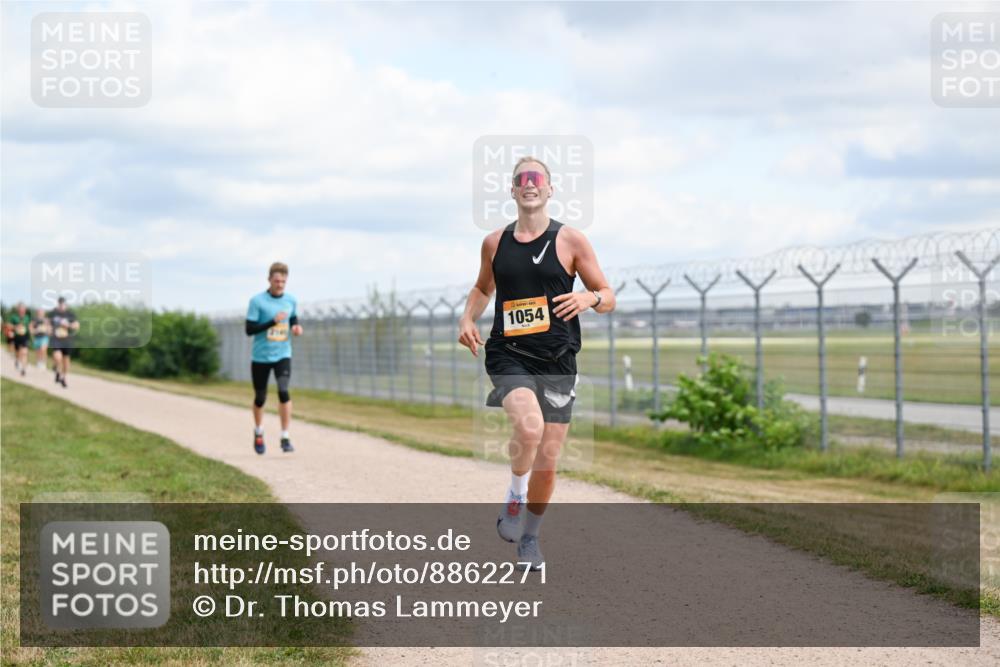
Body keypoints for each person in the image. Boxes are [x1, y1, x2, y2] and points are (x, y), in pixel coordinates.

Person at [458, 156, 615, 570]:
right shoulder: (495, 242)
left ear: (550, 189)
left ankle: (530, 539)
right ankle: (514, 496)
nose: (529, 184)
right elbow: (482, 286)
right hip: (508, 353)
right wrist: (466, 317)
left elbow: (607, 295)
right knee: (529, 427)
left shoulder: (571, 241)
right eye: (521, 180)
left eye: (537, 179)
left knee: (548, 459)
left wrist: (589, 297)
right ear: (512, 191)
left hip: (558, 358)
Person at [245, 262, 302, 455]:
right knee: (260, 397)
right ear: (269, 280)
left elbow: (293, 318)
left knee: (283, 390)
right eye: (277, 281)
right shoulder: (257, 301)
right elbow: (249, 329)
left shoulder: (291, 300)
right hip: (261, 357)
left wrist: (296, 327)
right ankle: (259, 431)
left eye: (283, 282)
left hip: (282, 354)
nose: (280, 285)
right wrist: (272, 321)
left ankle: (285, 436)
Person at [48, 297, 79, 387]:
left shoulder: (70, 314)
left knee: (66, 361)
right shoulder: (53, 313)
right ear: (58, 304)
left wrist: (68, 325)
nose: (61, 305)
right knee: (58, 358)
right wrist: (49, 330)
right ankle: (57, 370)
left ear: (66, 304)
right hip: (56, 339)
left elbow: (76, 325)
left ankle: (63, 377)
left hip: (66, 340)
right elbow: (47, 324)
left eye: (63, 304)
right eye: (60, 303)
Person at [9, 303, 32, 377]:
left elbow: (30, 326)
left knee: (24, 352)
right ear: (18, 310)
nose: (22, 310)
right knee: (18, 352)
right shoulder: (14, 317)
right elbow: (9, 325)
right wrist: (15, 327)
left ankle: (23, 369)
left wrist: (31, 331)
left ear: (25, 310)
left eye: (23, 309)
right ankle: (17, 360)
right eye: (21, 309)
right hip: (16, 337)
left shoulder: (27, 317)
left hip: (25, 337)